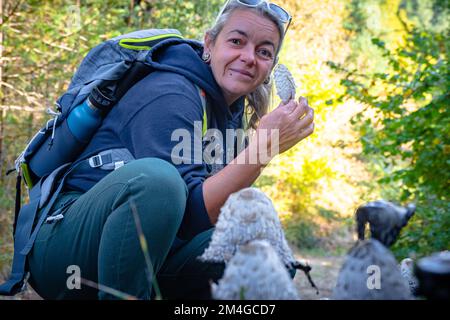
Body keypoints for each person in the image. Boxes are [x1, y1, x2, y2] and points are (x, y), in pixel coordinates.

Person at [27, 0, 315, 300]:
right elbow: (188, 211)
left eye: (264, 51)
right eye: (236, 41)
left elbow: (209, 216)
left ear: (271, 67)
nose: (248, 57)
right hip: (64, 251)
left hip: (148, 256)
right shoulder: (171, 91)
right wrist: (262, 150)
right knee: (158, 181)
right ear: (209, 44)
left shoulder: (228, 111)